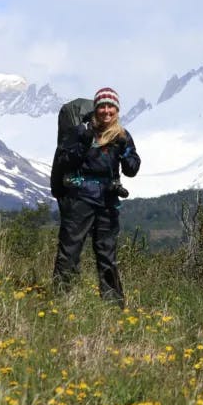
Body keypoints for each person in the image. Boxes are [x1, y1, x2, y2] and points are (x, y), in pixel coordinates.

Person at [50, 87, 141, 306]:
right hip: (79, 198)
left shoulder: (122, 136)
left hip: (108, 201)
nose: (106, 111)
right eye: (102, 106)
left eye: (111, 107)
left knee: (107, 255)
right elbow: (65, 161)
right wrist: (83, 142)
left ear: (116, 110)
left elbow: (131, 169)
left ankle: (113, 307)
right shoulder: (81, 131)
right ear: (96, 108)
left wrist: (128, 156)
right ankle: (62, 301)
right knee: (70, 251)